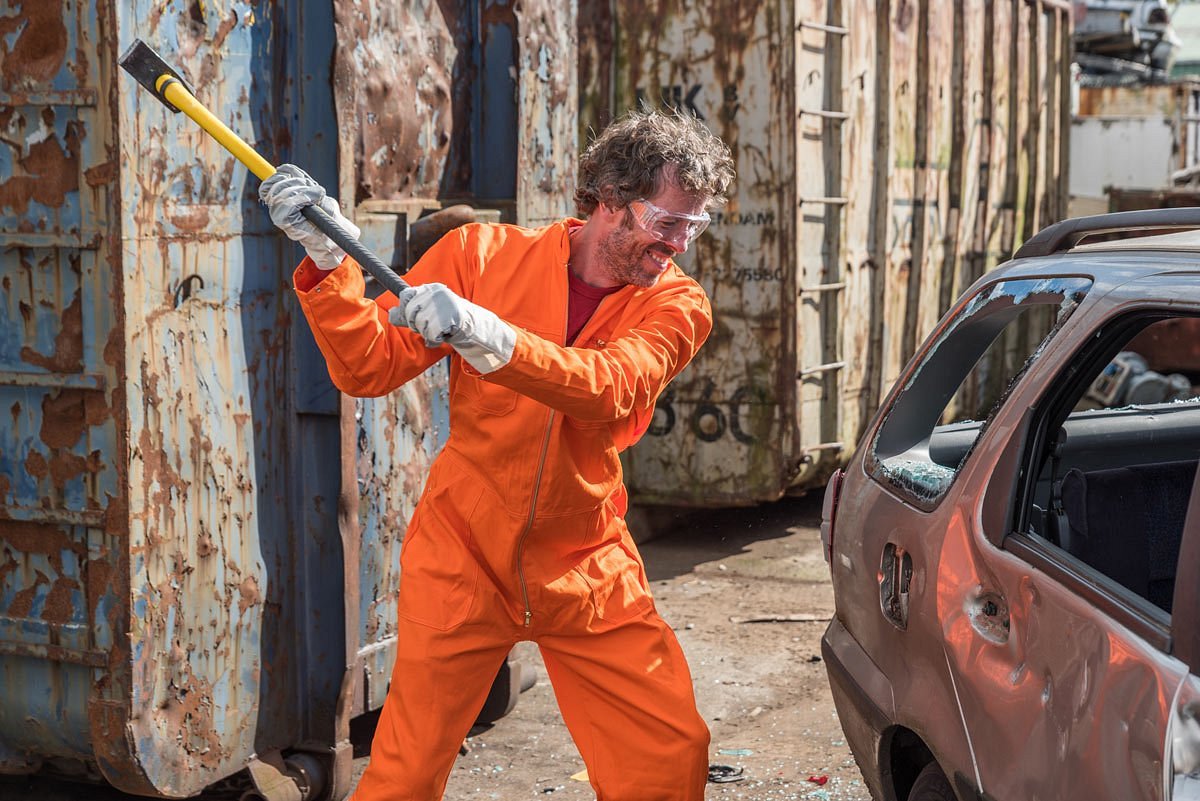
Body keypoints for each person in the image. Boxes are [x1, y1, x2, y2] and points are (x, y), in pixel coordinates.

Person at [260, 109, 735, 801]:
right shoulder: (478, 256)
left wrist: (497, 340)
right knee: (405, 772)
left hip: (585, 562)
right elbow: (368, 365)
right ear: (609, 200)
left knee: (668, 757)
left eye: (695, 227)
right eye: (668, 223)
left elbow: (609, 388)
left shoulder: (678, 305)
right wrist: (329, 265)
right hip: (463, 552)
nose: (680, 245)